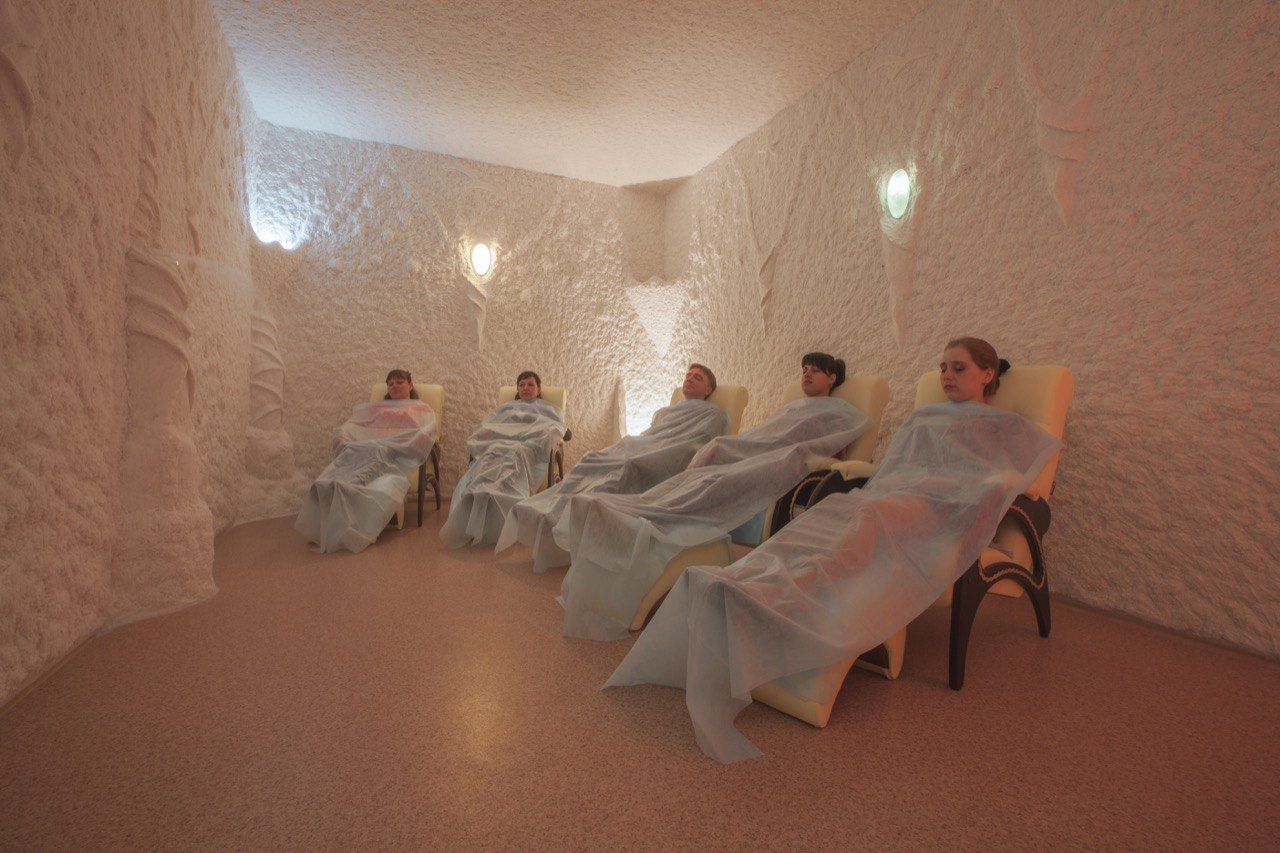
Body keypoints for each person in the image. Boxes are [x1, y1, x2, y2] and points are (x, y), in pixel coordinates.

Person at [605, 338, 1063, 763]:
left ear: (987, 374)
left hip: (940, 506)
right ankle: (753, 578)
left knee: (870, 516)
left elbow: (1021, 478)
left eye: (958, 368)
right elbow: (891, 469)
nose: (946, 375)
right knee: (831, 513)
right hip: (895, 494)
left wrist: (979, 484)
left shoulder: (1004, 426)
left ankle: (786, 592)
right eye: (943, 367)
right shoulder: (924, 418)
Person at [558, 353, 871, 641]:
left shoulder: (842, 412)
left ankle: (661, 511)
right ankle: (653, 505)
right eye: (804, 369)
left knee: (719, 476)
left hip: (781, 460)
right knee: (709, 464)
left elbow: (826, 443)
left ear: (832, 378)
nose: (807, 374)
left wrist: (795, 454)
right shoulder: (791, 408)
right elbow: (762, 436)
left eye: (815, 370)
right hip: (754, 453)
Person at [496, 364, 728, 571]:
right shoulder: (666, 412)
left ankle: (578, 518)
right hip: (642, 447)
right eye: (688, 375)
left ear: (708, 389)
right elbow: (650, 434)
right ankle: (556, 510)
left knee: (623, 468)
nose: (689, 379)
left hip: (664, 455)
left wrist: (651, 451)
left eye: (697, 377)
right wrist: (634, 444)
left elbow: (698, 443)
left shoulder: (712, 413)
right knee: (591, 459)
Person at [295, 369, 437, 554]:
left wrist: (398, 439)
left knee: (378, 451)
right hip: (369, 445)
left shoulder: (421, 408)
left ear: (410, 384)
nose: (394, 386)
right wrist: (344, 434)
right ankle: (328, 483)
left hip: (394, 449)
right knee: (352, 450)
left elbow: (426, 433)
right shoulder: (378, 408)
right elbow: (359, 424)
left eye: (399, 382)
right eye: (390, 384)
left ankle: (350, 484)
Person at [439, 371, 568, 548]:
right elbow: (490, 427)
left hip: (526, 448)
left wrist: (538, 433)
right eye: (521, 385)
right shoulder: (506, 409)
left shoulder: (548, 410)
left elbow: (558, 430)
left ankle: (499, 510)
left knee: (515, 455)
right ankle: (478, 496)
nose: (525, 388)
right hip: (499, 446)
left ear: (538, 390)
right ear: (517, 389)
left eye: (530, 384)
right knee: (490, 456)